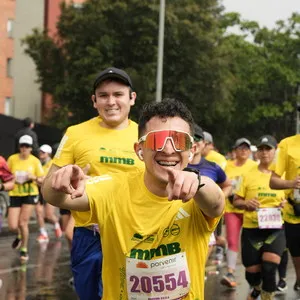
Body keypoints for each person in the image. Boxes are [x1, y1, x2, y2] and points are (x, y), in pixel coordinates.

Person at [42, 98, 225, 299]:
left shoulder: (197, 192)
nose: (169, 149)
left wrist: (198, 183)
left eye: (179, 140)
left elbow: (216, 203)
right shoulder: (112, 188)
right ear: (139, 150)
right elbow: (55, 197)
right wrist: (59, 181)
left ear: (191, 151)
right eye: (157, 139)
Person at [44, 67, 143, 299]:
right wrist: (62, 181)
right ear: (94, 101)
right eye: (103, 95)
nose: (111, 102)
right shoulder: (75, 133)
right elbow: (49, 190)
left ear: (132, 98)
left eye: (118, 94)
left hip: (135, 234)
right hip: (89, 236)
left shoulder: (145, 136)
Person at [233, 135, 285, 300]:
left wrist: (286, 204)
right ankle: (256, 288)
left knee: (269, 268)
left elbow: (294, 198)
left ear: (275, 151)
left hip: (276, 229)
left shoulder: (283, 175)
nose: (264, 153)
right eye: (261, 149)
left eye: (268, 149)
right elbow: (236, 201)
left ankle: (266, 296)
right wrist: (247, 203)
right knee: (252, 273)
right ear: (257, 153)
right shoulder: (247, 175)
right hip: (252, 230)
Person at [188, 125, 231, 265]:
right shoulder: (174, 165)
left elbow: (228, 185)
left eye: (198, 139)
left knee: (198, 264)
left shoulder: (213, 167)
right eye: (190, 138)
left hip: (207, 217)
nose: (194, 142)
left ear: (204, 144)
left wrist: (218, 199)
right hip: (181, 220)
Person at [221, 137, 257, 288]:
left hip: (250, 208)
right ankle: (230, 272)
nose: (243, 151)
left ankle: (255, 275)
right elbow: (221, 183)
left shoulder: (254, 166)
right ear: (235, 150)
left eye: (246, 148)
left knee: (252, 242)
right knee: (232, 240)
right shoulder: (227, 167)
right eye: (240, 148)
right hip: (232, 209)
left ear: (249, 151)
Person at [269, 132, 300, 291]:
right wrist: (292, 183)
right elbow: (273, 181)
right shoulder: (286, 144)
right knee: (296, 252)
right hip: (295, 212)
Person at [7, 135, 44, 262]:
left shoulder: (35, 161)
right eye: (22, 145)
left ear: (31, 148)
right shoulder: (12, 159)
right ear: (19, 147)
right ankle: (19, 234)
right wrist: (12, 178)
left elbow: (41, 180)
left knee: (23, 222)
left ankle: (24, 249)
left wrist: (32, 177)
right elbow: (6, 175)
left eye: (27, 146)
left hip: (30, 193)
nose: (24, 148)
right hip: (15, 193)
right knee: (12, 225)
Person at [35, 144, 62, 242]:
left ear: (48, 154)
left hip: (50, 191)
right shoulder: (37, 163)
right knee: (38, 213)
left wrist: (40, 179)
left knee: (49, 215)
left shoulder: (52, 164)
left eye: (43, 152)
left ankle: (56, 224)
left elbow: (48, 179)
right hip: (38, 191)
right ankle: (43, 233)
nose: (40, 154)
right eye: (40, 152)